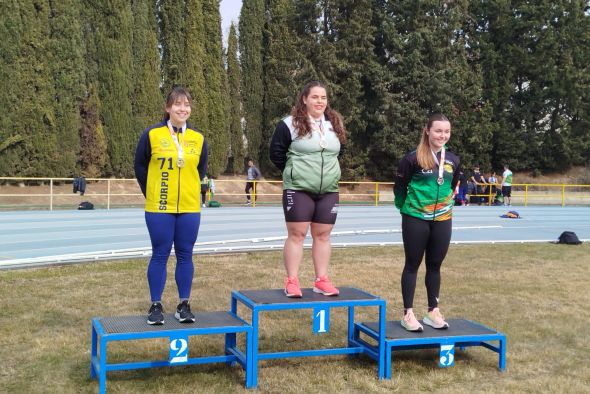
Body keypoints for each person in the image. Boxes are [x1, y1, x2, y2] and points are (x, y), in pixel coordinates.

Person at [134, 86, 208, 325]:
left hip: (189, 208)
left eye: (186, 105)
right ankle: (155, 305)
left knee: (186, 255)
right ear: (168, 108)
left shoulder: (198, 139)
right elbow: (140, 167)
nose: (182, 109)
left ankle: (183, 304)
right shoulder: (152, 135)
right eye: (177, 104)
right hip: (159, 207)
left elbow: (201, 170)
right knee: (160, 254)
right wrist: (152, 192)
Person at [269, 80, 346, 298]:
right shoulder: (289, 124)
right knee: (297, 234)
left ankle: (321, 280)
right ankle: (292, 281)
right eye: (315, 97)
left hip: (328, 190)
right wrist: (295, 171)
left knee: (323, 235)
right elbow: (275, 153)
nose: (319, 101)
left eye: (323, 97)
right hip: (298, 189)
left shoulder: (334, 123)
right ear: (304, 99)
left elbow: (340, 151)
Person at [394, 113, 461, 332]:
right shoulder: (412, 159)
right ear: (428, 131)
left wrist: (445, 207)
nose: (443, 135)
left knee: (435, 266)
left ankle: (433, 311)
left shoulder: (453, 159)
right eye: (438, 131)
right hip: (415, 218)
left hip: (442, 219)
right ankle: (408, 314)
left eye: (446, 131)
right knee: (412, 264)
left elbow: (453, 186)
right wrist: (407, 208)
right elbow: (399, 188)